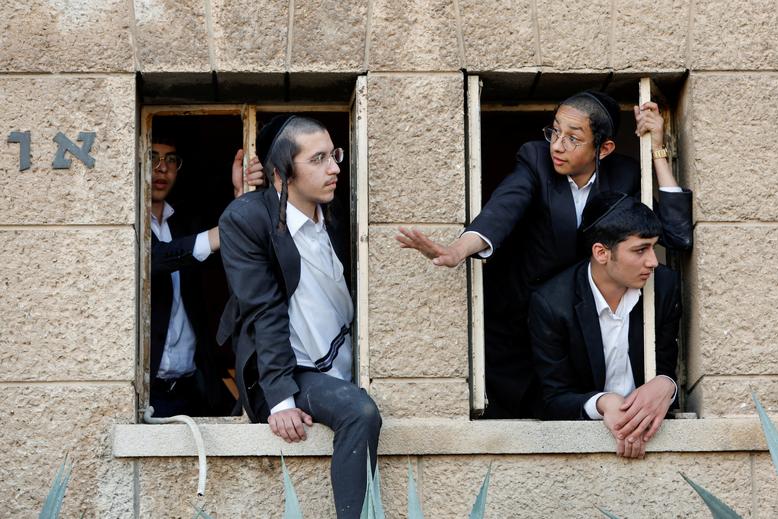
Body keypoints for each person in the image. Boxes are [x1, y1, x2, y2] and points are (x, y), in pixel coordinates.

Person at [396, 91, 692, 419]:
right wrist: (458, 250)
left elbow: (676, 235)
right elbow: (502, 210)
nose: (557, 146)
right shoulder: (535, 160)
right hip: (519, 321)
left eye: (573, 138)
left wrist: (657, 151)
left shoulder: (624, 175)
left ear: (604, 149)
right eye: (555, 131)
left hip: (584, 318)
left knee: (585, 403)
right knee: (524, 409)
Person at [217, 115, 381, 518]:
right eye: (318, 159)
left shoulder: (338, 215)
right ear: (281, 173)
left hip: (342, 358)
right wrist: (280, 400)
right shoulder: (247, 219)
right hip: (290, 369)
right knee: (359, 411)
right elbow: (263, 309)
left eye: (334, 155)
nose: (334, 168)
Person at [529, 192, 681, 459]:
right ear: (601, 253)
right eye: (640, 250)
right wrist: (602, 403)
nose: (653, 261)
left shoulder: (664, 287)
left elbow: (665, 365)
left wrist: (666, 384)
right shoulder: (552, 303)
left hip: (654, 440)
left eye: (653, 247)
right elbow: (553, 398)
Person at [150, 130, 264, 417]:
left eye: (170, 159)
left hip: (195, 385)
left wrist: (242, 198)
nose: (161, 168)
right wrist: (227, 230)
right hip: (149, 392)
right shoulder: (130, 222)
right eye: (152, 157)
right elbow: (158, 257)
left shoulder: (185, 221)